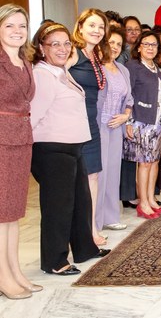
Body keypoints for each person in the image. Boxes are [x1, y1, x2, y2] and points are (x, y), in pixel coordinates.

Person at [30, 22, 110, 277]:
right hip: (52, 149)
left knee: (81, 202)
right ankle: (55, 260)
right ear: (42, 48)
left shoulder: (61, 71)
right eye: (55, 44)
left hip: (74, 146)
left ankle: (85, 248)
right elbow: (33, 116)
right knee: (59, 207)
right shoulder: (42, 75)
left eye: (66, 43)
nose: (63, 48)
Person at [0, 4, 38, 298]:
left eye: (22, 26)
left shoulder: (24, 60)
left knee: (14, 212)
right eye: (10, 26)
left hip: (22, 139)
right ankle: (3, 277)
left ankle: (14, 269)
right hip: (2, 139)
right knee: (2, 213)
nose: (17, 31)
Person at [68, 8, 110, 247]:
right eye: (92, 25)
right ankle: (79, 231)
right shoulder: (73, 52)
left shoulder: (96, 56)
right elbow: (56, 78)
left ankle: (92, 229)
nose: (96, 31)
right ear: (80, 27)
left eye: (101, 27)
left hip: (91, 122)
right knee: (78, 179)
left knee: (93, 175)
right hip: (74, 123)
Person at [124, 31, 161, 219]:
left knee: (154, 161)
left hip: (157, 121)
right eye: (147, 44)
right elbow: (127, 95)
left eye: (154, 45)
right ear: (139, 46)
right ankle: (142, 203)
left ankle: (151, 199)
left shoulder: (155, 67)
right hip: (140, 120)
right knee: (144, 163)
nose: (151, 48)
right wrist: (127, 121)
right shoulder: (133, 66)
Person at [95, 30, 133, 233]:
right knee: (98, 174)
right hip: (99, 125)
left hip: (116, 127)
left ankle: (110, 216)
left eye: (119, 44)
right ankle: (95, 220)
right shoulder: (96, 68)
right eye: (111, 42)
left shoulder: (122, 70)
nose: (116, 47)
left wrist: (126, 116)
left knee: (112, 173)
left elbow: (130, 100)